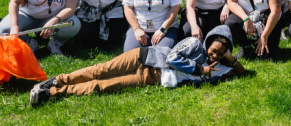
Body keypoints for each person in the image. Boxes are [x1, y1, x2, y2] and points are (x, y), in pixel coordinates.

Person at [29, 25, 246, 104]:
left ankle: (53, 93)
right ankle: (56, 80)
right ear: (208, 43)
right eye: (213, 49)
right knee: (101, 70)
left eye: (219, 52)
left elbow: (243, 74)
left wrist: (230, 57)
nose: (213, 54)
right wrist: (200, 69)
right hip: (144, 57)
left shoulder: (219, 67)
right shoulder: (194, 44)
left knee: (104, 85)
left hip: (154, 77)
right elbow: (171, 59)